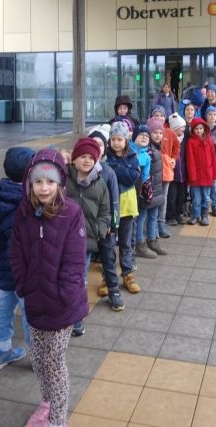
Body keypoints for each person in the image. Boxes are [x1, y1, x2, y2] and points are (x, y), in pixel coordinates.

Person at [9, 149, 88, 427]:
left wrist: (65, 294)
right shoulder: (24, 213)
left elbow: (75, 260)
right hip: (34, 300)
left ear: (60, 183)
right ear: (29, 183)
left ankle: (57, 420)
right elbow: (16, 252)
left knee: (54, 363)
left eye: (50, 182)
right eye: (38, 182)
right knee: (38, 358)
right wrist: (22, 285)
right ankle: (47, 403)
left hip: (62, 305)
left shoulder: (72, 213)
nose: (44, 188)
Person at [0, 146, 34, 370]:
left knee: (5, 306)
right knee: (29, 311)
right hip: (22, 267)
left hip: (1, 263)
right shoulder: (25, 200)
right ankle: (37, 357)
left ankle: (0, 351)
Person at [66, 138, 115, 333]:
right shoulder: (63, 179)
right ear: (74, 158)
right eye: (82, 156)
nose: (87, 161)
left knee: (80, 281)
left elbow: (105, 212)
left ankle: (77, 320)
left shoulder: (100, 183)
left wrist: (99, 230)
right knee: (64, 279)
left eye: (91, 158)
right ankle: (62, 315)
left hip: (86, 242)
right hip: (63, 241)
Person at [87, 126, 123, 307]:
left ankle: (113, 290)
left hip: (105, 225)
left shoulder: (108, 172)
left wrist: (113, 225)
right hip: (85, 226)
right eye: (93, 143)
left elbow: (115, 201)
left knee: (108, 259)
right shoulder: (79, 170)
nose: (96, 148)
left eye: (100, 144)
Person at [106, 121, 141, 294]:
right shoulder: (106, 157)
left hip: (127, 205)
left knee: (126, 242)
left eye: (119, 139)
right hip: (110, 206)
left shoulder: (132, 156)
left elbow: (132, 178)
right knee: (109, 243)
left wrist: (116, 169)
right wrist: (121, 171)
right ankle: (109, 276)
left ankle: (127, 273)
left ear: (126, 140)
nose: (116, 143)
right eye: (113, 139)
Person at [136, 119, 168, 256]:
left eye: (160, 133)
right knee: (142, 216)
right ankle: (139, 243)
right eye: (155, 132)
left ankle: (152, 240)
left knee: (153, 216)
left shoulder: (157, 147)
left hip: (156, 188)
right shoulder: (147, 150)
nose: (158, 135)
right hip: (147, 189)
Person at [148, 106, 180, 238]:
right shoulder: (149, 131)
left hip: (166, 170)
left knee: (163, 198)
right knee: (152, 198)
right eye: (156, 115)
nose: (159, 118)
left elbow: (177, 146)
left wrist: (173, 158)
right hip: (152, 172)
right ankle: (153, 227)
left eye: (162, 115)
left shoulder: (169, 132)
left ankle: (161, 224)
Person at [186, 118, 216, 226]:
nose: (199, 131)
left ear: (204, 129)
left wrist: (214, 173)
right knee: (196, 198)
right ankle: (195, 215)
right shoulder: (190, 142)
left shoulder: (209, 140)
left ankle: (204, 216)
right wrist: (192, 175)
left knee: (206, 197)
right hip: (195, 175)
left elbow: (213, 157)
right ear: (192, 130)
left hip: (207, 174)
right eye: (196, 129)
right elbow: (190, 159)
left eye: (201, 128)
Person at [166, 113, 187, 225]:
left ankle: (178, 214)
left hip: (183, 172)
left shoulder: (185, 139)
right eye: (181, 127)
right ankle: (171, 216)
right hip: (172, 173)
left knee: (181, 196)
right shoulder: (169, 139)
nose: (184, 129)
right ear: (175, 128)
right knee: (172, 196)